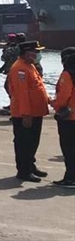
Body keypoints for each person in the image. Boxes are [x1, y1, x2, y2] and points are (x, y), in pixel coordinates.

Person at [6, 40, 51, 182]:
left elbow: (37, 87)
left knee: (32, 142)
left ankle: (30, 166)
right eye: (35, 51)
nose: (37, 54)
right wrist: (26, 114)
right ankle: (24, 171)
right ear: (26, 53)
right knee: (24, 142)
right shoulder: (20, 69)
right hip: (25, 114)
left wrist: (49, 100)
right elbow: (22, 93)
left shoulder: (30, 66)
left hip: (36, 112)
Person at [52, 47, 75, 188]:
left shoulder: (68, 74)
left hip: (69, 117)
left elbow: (64, 96)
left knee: (69, 149)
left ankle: (71, 178)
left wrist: (54, 104)